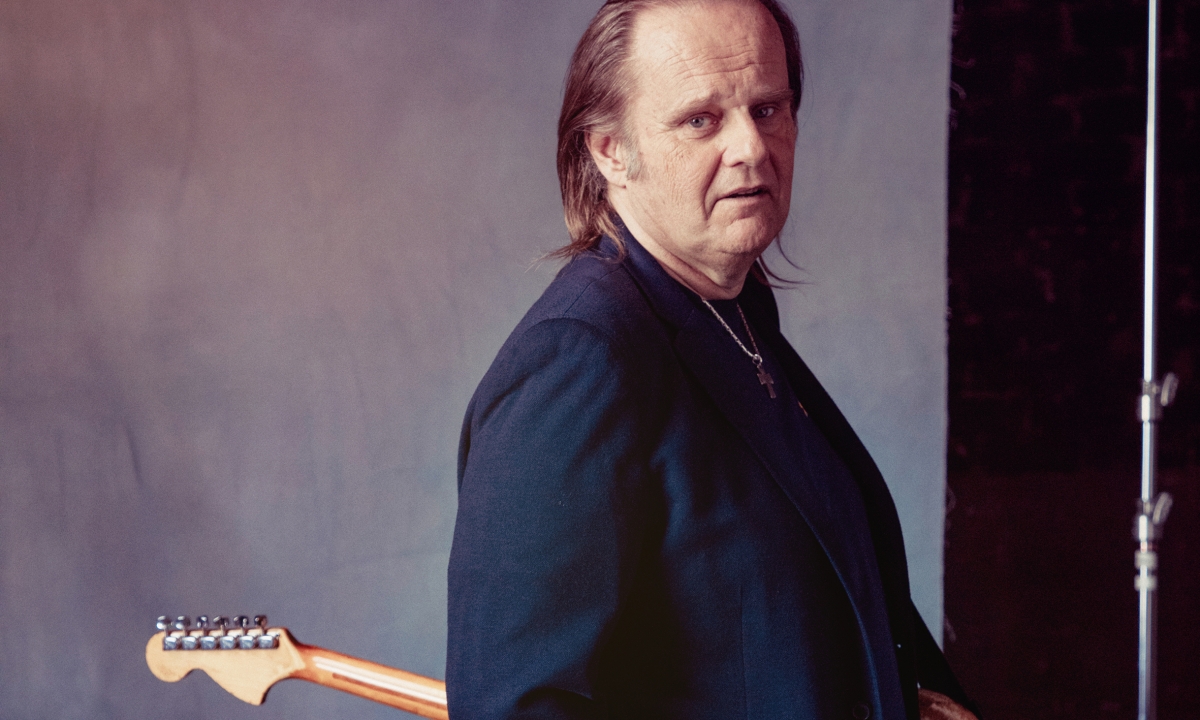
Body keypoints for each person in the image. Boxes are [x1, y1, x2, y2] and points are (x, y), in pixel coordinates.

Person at [447, 1, 977, 718]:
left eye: (768, 108)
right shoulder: (579, 361)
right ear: (610, 150)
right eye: (700, 120)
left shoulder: (733, 312)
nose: (751, 147)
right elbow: (519, 706)